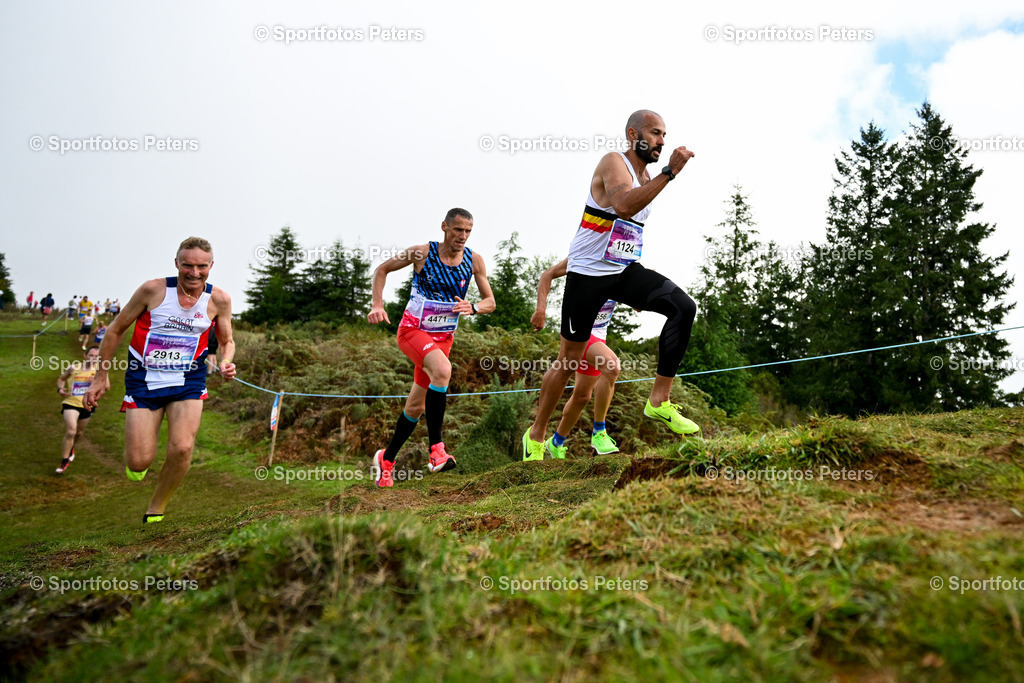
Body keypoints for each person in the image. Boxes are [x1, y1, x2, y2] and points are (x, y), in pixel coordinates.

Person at [522, 110, 700, 461]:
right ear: (633, 134)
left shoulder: (647, 175)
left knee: (683, 308)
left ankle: (659, 401)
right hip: (587, 276)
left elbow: (630, 229)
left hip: (622, 271)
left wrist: (635, 291)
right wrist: (670, 172)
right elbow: (621, 206)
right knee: (568, 362)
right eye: (655, 133)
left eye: (665, 135)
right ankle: (537, 434)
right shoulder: (614, 162)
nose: (662, 141)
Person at [83, 237, 236, 524]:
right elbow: (115, 331)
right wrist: (100, 377)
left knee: (182, 447)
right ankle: (138, 464)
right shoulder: (153, 290)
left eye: (202, 266)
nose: (194, 273)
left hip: (187, 380)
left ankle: (156, 509)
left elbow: (227, 341)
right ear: (176, 263)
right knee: (138, 461)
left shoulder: (219, 300)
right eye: (187, 265)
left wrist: (226, 363)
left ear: (211, 266)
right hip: (144, 380)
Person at [366, 208, 495, 488]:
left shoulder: (474, 261)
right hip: (413, 330)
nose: (463, 236)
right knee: (443, 370)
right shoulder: (422, 253)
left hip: (443, 339)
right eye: (458, 229)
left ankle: (386, 461)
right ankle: (436, 450)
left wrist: (473, 307)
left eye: (468, 231)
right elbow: (382, 270)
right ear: (444, 227)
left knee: (415, 405)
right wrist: (377, 304)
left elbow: (490, 302)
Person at [531, 258, 621, 458]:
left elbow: (638, 307)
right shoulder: (584, 255)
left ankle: (556, 443)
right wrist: (541, 309)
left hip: (599, 335)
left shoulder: (623, 263)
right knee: (612, 366)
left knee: (582, 396)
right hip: (578, 331)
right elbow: (547, 274)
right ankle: (599, 432)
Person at [56, 346, 101, 474]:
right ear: (85, 356)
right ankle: (64, 461)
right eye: (91, 355)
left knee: (78, 433)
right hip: (70, 403)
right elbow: (61, 379)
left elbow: (106, 386)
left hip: (87, 405)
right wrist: (60, 389)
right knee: (71, 431)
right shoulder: (73, 368)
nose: (93, 359)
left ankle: (71, 448)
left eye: (96, 357)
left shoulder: (99, 371)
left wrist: (95, 382)